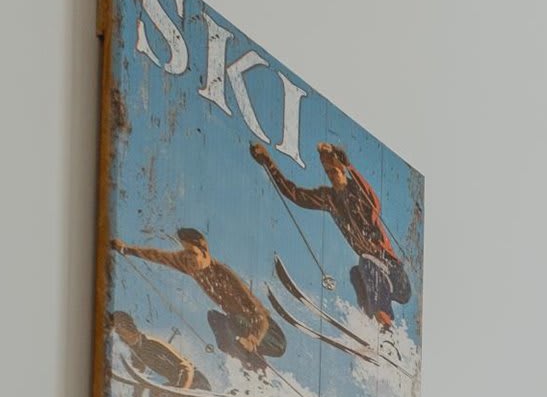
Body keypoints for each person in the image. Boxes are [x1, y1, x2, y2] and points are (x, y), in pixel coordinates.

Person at [251, 140, 414, 330]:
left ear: (342, 170)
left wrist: (348, 165)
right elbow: (294, 194)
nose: (331, 177)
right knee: (356, 274)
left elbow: (374, 202)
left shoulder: (358, 191)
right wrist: (268, 163)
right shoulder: (329, 198)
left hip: (394, 272)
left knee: (366, 263)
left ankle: (386, 328)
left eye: (334, 171)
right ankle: (372, 327)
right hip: (374, 272)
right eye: (328, 173)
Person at [110, 228, 286, 372]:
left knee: (234, 321)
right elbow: (157, 255)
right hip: (239, 326)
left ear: (204, 252)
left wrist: (253, 338)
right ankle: (248, 370)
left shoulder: (225, 276)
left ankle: (260, 374)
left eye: (192, 253)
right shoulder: (189, 264)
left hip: (270, 335)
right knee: (215, 319)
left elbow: (260, 314)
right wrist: (127, 250)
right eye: (185, 251)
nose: (187, 257)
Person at [107, 309, 202, 397]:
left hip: (196, 382)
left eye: (120, 329)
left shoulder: (152, 343)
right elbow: (139, 373)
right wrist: (138, 392)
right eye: (117, 331)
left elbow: (186, 366)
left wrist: (180, 389)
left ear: (129, 327)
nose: (120, 334)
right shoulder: (136, 350)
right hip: (177, 385)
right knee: (158, 395)